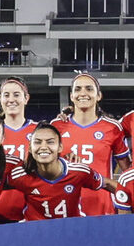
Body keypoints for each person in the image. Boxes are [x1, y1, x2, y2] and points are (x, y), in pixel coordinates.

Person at [51, 72, 124, 216]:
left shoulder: (113, 127)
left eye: (89, 89)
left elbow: (126, 169)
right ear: (71, 96)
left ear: (99, 95)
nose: (83, 93)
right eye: (78, 89)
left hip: (101, 205)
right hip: (63, 204)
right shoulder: (56, 126)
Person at [3, 122, 103, 220]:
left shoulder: (79, 171)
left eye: (50, 142)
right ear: (30, 148)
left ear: (60, 147)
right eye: (37, 142)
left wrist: (119, 199)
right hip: (35, 230)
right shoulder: (21, 174)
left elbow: (106, 183)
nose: (43, 147)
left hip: (71, 229)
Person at [0, 76, 40, 222]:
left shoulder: (39, 131)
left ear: (26, 98)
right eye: (6, 95)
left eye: (16, 94)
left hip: (33, 212)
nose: (11, 99)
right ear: (0, 99)